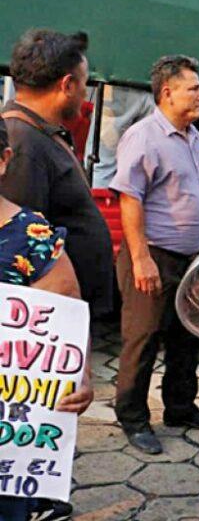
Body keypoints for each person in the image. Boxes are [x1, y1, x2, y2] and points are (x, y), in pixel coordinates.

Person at [110, 55, 199, 455]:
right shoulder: (144, 136)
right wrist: (141, 259)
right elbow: (130, 199)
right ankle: (134, 419)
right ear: (167, 92)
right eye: (194, 88)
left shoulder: (191, 136)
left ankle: (180, 407)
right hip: (154, 255)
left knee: (186, 335)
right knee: (143, 338)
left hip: (192, 259)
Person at [0, 117, 93, 521]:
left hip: (11, 439)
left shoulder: (31, 235)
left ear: (3, 160)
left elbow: (67, 318)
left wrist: (79, 376)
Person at [0, 29, 114, 320]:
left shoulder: (42, 133)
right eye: (85, 83)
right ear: (67, 85)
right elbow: (17, 247)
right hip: (47, 326)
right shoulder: (23, 142)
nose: (84, 93)